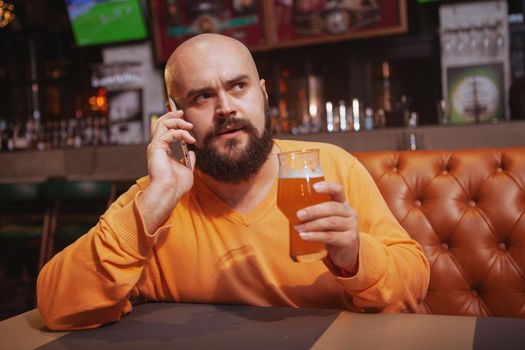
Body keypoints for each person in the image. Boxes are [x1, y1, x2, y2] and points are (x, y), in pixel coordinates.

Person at [37, 33, 430, 331]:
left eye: (238, 86)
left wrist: (355, 257)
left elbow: (415, 284)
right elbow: (56, 305)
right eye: (203, 96)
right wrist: (153, 204)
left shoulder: (329, 168)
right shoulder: (156, 201)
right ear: (174, 116)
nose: (226, 108)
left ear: (261, 95)